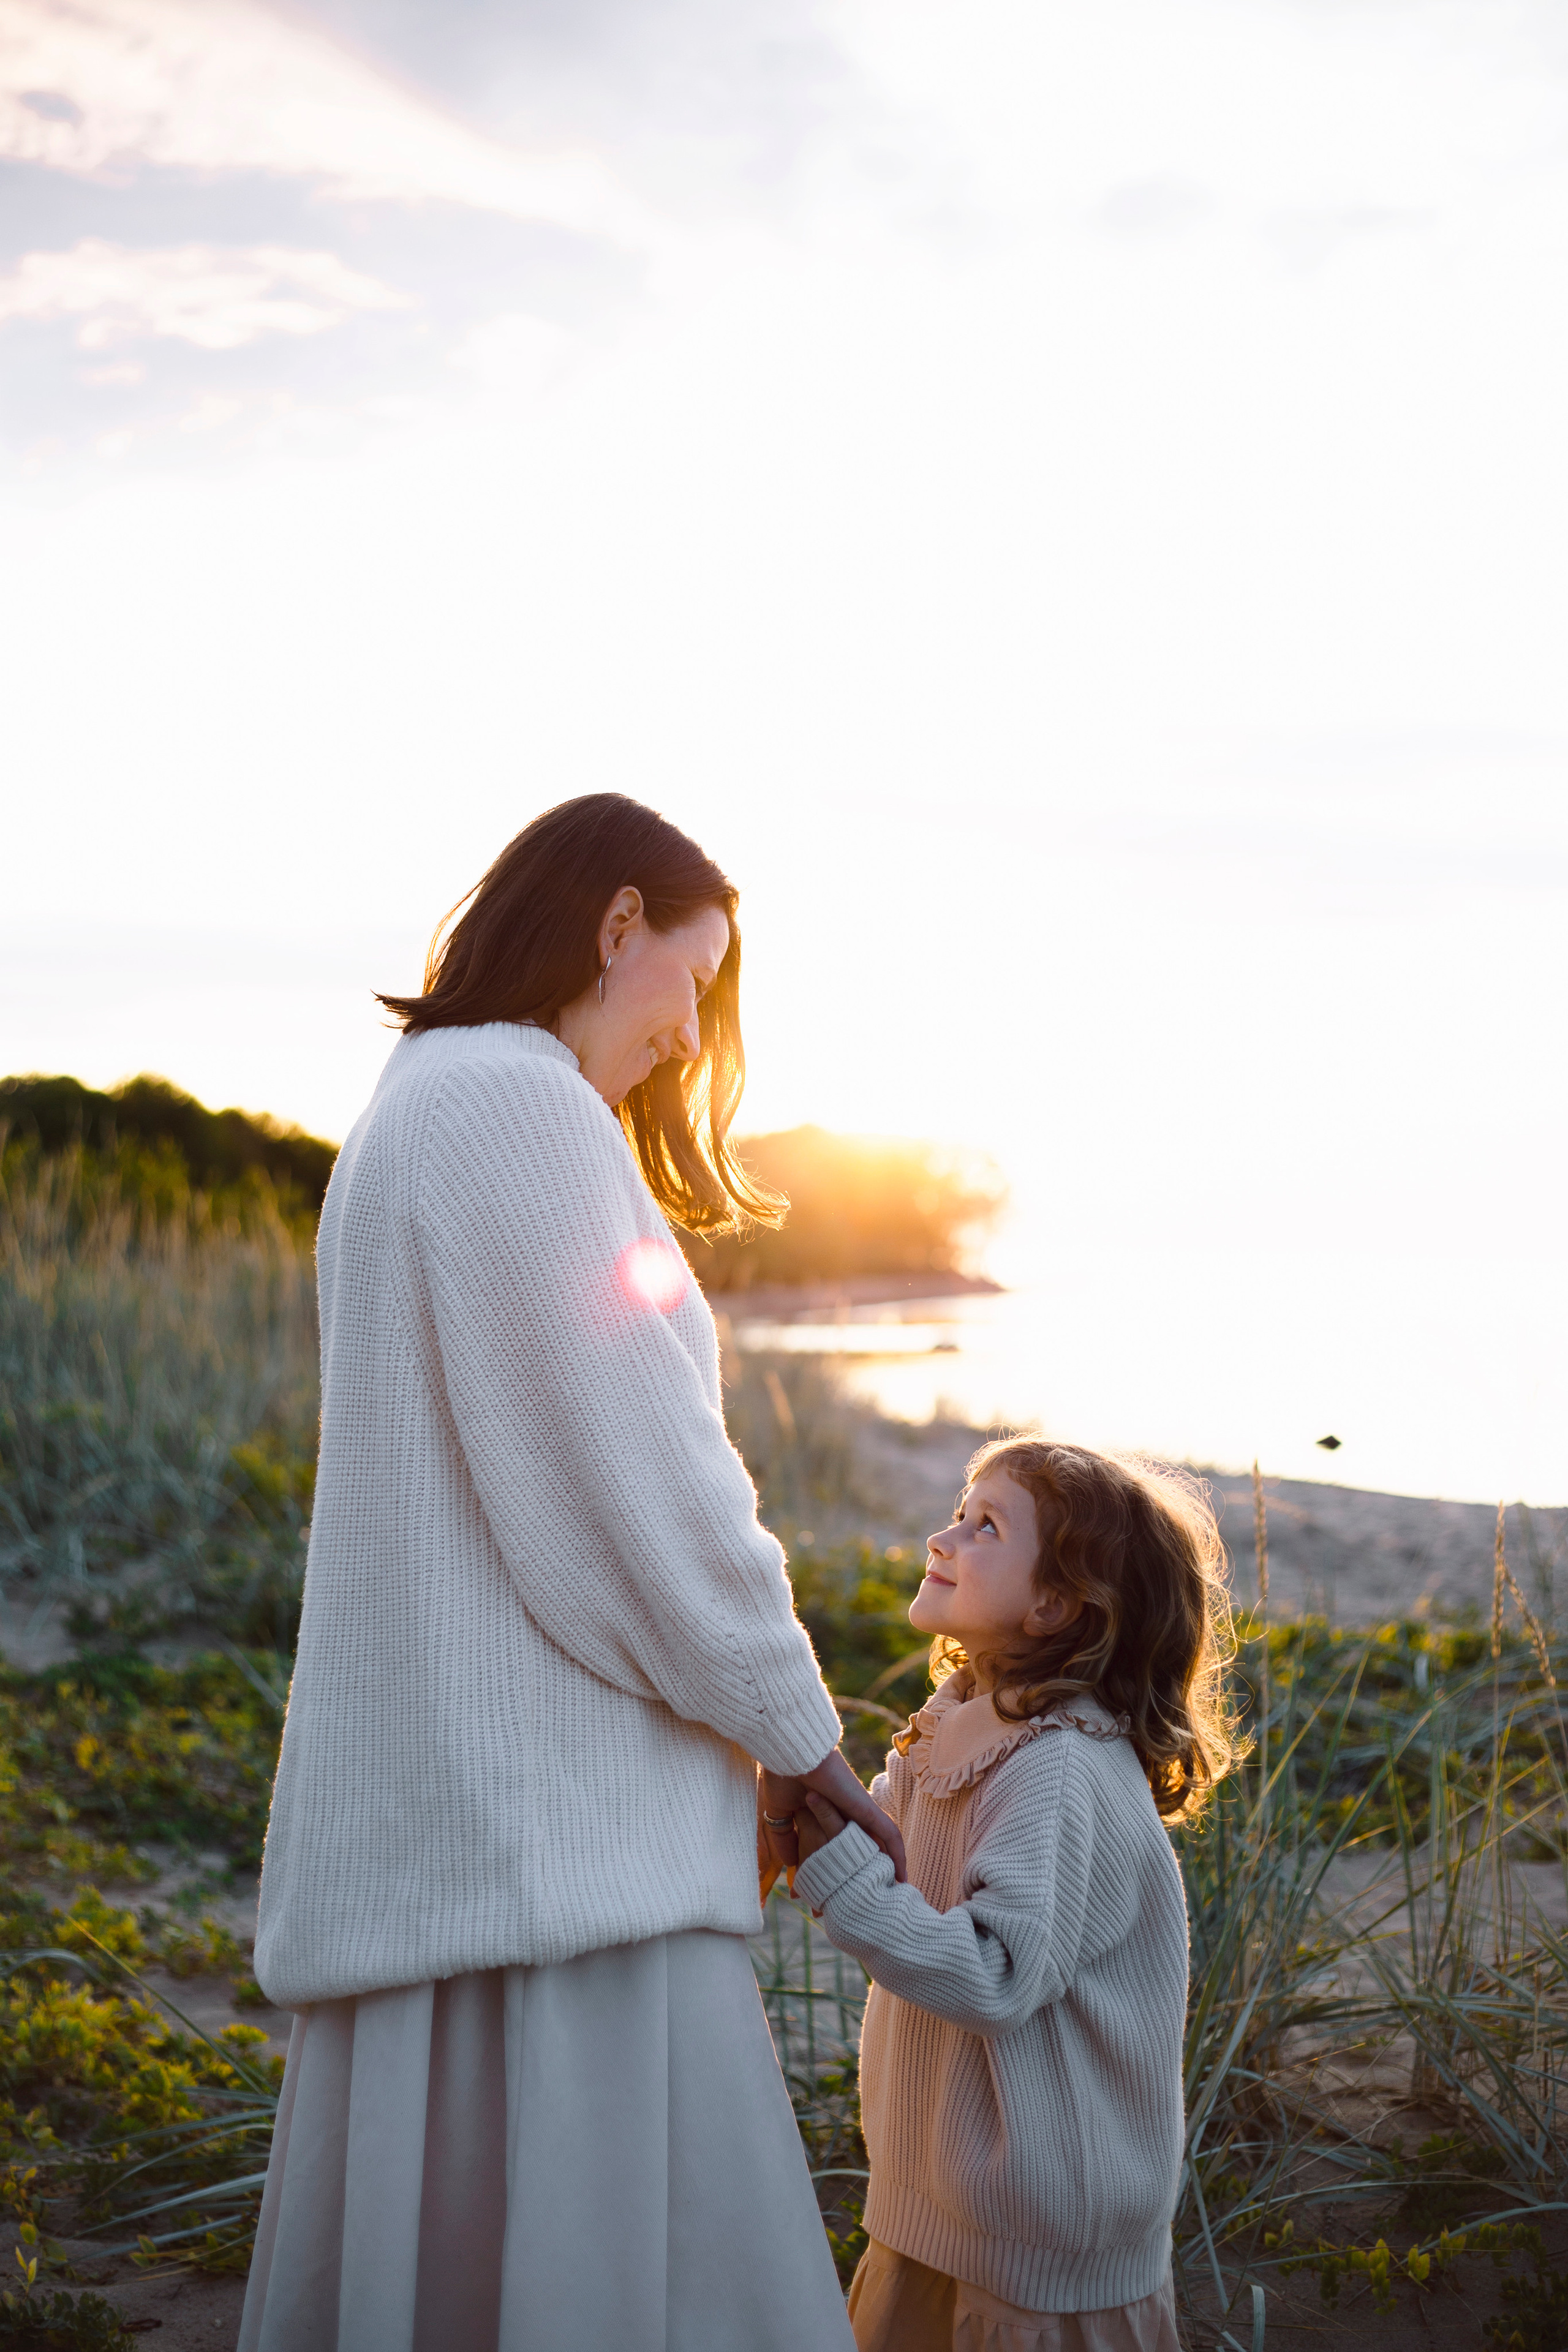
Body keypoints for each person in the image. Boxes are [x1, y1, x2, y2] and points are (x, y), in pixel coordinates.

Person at [238, 793, 903, 2352]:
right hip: (549, 1862)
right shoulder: (518, 1113)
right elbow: (644, 1501)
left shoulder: (415, 1102)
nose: (691, 1034)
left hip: (465, 1826)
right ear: (616, 926)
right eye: (696, 973)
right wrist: (803, 1744)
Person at [783, 1438, 1238, 2352]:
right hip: (932, 2204)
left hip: (1037, 2249)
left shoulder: (1059, 1766)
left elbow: (996, 1974)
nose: (942, 1536)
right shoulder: (955, 1722)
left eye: (984, 1525)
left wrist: (834, 1874)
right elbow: (879, 1857)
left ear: (1055, 1604)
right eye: (960, 1509)